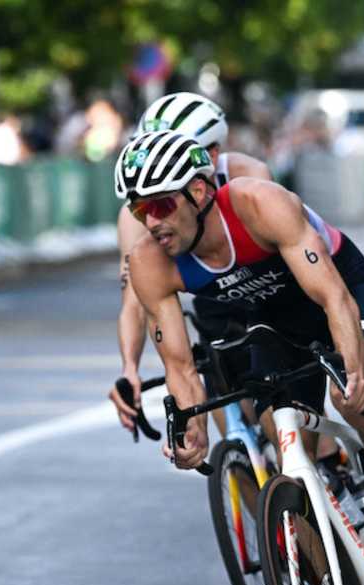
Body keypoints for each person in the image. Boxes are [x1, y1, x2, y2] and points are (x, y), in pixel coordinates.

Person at [115, 129, 364, 585]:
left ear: (200, 191)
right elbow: (179, 366)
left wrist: (352, 369)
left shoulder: (257, 205)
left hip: (338, 291)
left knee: (353, 401)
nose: (150, 221)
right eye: (138, 208)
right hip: (274, 322)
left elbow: (333, 298)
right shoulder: (152, 262)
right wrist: (191, 425)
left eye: (160, 205)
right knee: (283, 441)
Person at [108, 93, 272, 436]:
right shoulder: (136, 213)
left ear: (211, 154)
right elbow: (133, 301)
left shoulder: (248, 174)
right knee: (233, 435)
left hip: (263, 288)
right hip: (214, 300)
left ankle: (328, 463)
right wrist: (130, 369)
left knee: (280, 411)